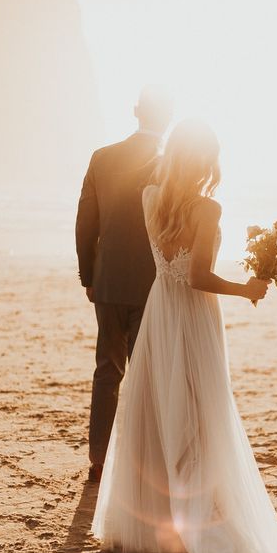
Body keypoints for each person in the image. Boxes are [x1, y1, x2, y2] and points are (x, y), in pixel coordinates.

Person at [91, 118, 277, 553]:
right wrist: (248, 289)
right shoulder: (207, 207)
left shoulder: (149, 194)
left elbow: (171, 269)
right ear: (205, 159)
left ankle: (154, 527)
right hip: (192, 316)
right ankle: (200, 526)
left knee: (158, 408)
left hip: (160, 309)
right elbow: (201, 276)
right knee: (200, 415)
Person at [75, 86, 173, 483]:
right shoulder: (168, 164)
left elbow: (86, 223)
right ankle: (143, 463)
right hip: (153, 283)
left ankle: (98, 458)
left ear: (136, 113)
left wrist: (89, 276)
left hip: (109, 280)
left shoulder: (102, 157)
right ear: (167, 118)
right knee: (148, 372)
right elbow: (176, 224)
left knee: (107, 368)